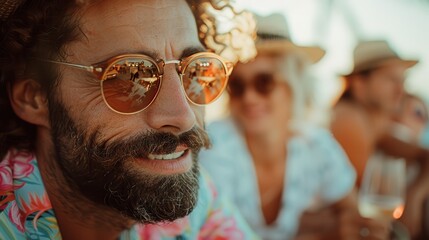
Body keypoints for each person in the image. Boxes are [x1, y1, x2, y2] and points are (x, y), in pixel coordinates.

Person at [0, 0, 258, 239]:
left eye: (195, 70)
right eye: (127, 75)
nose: (184, 117)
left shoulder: (187, 187)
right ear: (34, 98)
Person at [200, 13, 388, 240]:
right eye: (238, 86)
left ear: (293, 85)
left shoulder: (315, 144)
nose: (249, 97)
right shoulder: (216, 144)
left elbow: (352, 215)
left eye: (264, 83)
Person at [331, 40, 429, 238]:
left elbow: (422, 154)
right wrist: (416, 197)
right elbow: (379, 196)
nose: (400, 90)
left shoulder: (375, 121)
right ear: (359, 83)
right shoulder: (348, 120)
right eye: (390, 80)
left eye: (402, 81)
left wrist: (416, 194)